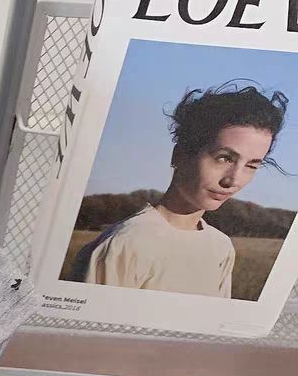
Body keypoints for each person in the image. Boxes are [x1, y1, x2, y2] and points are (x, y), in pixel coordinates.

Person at [69, 83, 288, 296]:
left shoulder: (221, 248)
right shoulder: (122, 245)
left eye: (251, 166)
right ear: (180, 155)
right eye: (224, 158)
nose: (234, 180)